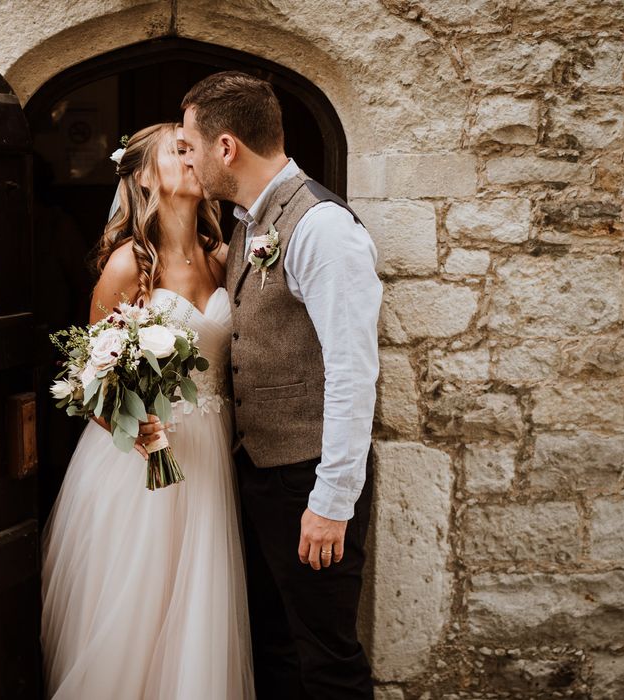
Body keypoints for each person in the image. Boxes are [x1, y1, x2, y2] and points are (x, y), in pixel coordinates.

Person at [180, 71, 383, 699]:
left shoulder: (320, 227)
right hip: (264, 473)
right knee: (274, 647)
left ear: (227, 147)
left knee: (326, 661)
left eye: (190, 143)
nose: (187, 158)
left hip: (310, 478)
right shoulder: (249, 221)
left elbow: (353, 371)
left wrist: (331, 502)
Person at [40, 123, 255, 699]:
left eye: (196, 149)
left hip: (210, 453)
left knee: (199, 604)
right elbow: (90, 381)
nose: (194, 157)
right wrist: (135, 426)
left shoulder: (223, 257)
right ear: (143, 176)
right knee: (139, 606)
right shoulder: (127, 266)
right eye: (179, 150)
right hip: (143, 464)